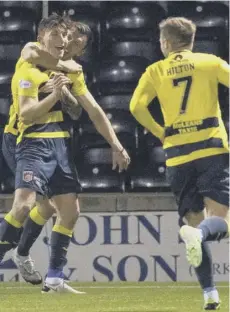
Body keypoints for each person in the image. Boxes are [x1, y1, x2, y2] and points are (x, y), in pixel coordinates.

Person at [0, 14, 130, 294]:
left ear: (81, 49)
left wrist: (116, 144)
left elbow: (86, 111)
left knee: (57, 208)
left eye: (75, 44)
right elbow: (29, 110)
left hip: (54, 139)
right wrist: (62, 76)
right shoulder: (33, 54)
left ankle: (43, 270)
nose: (68, 45)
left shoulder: (73, 71)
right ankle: (20, 254)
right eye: (66, 38)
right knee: (30, 205)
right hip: (20, 137)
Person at [130, 17, 229, 310]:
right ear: (191, 40)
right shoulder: (208, 62)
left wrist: (162, 133)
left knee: (194, 225)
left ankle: (210, 293)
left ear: (166, 43)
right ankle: (199, 238)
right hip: (210, 148)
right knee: (220, 222)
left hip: (177, 154)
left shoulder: (155, 70)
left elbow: (135, 106)